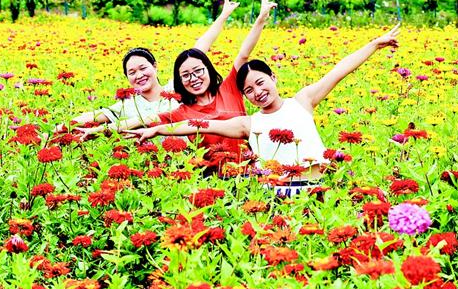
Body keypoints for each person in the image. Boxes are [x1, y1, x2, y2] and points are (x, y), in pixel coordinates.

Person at [124, 24, 401, 192]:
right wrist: (156, 131)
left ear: (273, 78)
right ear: (245, 96)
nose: (258, 92)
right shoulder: (249, 124)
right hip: (275, 194)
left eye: (260, 83)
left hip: (319, 185)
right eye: (249, 91)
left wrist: (374, 45)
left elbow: (339, 71)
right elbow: (199, 124)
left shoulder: (302, 101)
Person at [78, 0, 277, 165]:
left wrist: (259, 20)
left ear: (208, 69)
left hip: (248, 173)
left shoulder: (229, 88)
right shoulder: (180, 112)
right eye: (186, 75)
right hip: (211, 179)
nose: (194, 78)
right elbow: (138, 121)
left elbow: (243, 54)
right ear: (179, 81)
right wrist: (97, 131)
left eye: (198, 71)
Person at [55, 0, 240, 133]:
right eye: (132, 72)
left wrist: (223, 17)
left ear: (154, 67)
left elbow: (200, 49)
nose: (139, 75)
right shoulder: (127, 105)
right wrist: (59, 128)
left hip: (186, 160)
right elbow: (94, 116)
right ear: (127, 77)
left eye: (143, 68)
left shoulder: (176, 89)